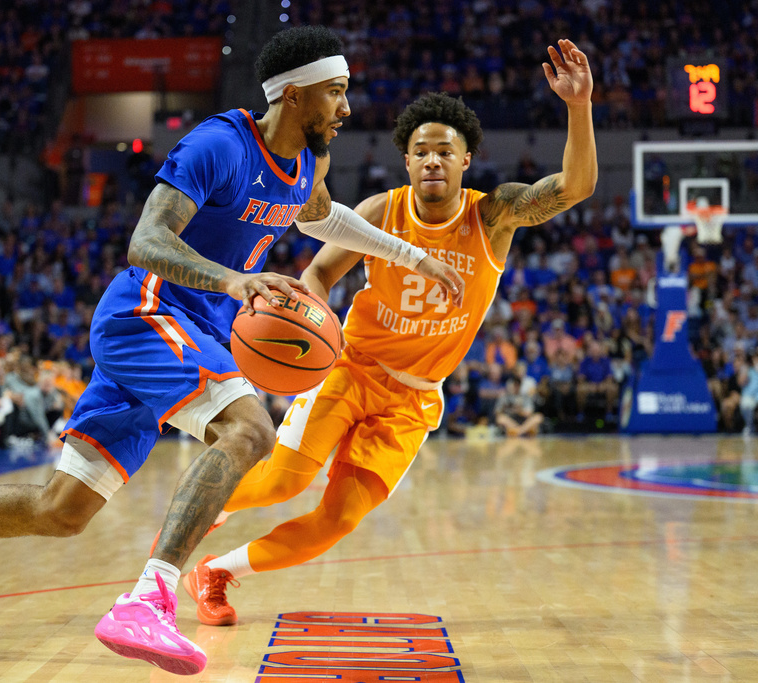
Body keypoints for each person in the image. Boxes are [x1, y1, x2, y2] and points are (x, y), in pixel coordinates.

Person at [0, 25, 465, 677]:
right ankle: (150, 597)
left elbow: (322, 217)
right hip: (148, 314)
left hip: (193, 330)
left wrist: (412, 255)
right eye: (336, 92)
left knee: (62, 509)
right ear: (296, 94)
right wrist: (232, 280)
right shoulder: (221, 145)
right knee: (250, 431)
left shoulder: (311, 162)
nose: (347, 108)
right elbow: (147, 241)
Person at [180, 39, 596, 628]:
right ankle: (197, 511)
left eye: (445, 152)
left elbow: (575, 187)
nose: (432, 161)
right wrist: (311, 322)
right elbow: (319, 273)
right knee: (280, 483)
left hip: (414, 399)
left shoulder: (493, 216)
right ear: (406, 161)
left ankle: (216, 572)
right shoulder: (381, 211)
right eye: (421, 151)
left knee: (338, 520)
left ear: (466, 161)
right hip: (351, 368)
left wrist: (578, 107)